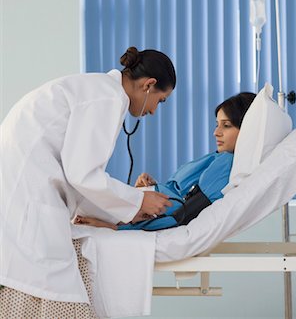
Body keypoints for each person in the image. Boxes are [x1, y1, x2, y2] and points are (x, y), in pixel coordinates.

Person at [0, 47, 175, 315]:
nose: (153, 111)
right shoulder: (108, 98)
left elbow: (78, 174)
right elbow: (82, 174)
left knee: (42, 284)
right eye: (160, 101)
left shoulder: (98, 90)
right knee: (52, 288)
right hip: (29, 197)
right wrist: (138, 201)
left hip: (24, 187)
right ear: (149, 85)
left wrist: (122, 209)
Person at [74, 92, 256, 231]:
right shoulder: (217, 159)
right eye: (217, 124)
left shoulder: (226, 164)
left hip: (130, 214)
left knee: (76, 201)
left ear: (247, 128)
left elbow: (181, 214)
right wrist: (152, 189)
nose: (216, 132)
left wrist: (116, 227)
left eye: (226, 125)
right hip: (132, 207)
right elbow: (179, 197)